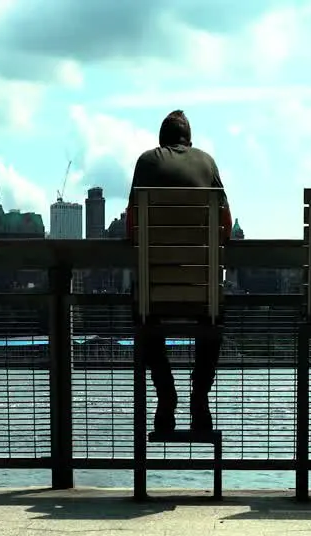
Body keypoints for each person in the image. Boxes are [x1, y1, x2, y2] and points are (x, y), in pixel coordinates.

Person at [126, 110, 232, 432]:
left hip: (155, 290)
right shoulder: (207, 162)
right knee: (214, 318)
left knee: (143, 317)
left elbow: (132, 227)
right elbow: (226, 225)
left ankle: (166, 394)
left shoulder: (146, 162)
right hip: (201, 288)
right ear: (189, 140)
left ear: (161, 141)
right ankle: (199, 397)